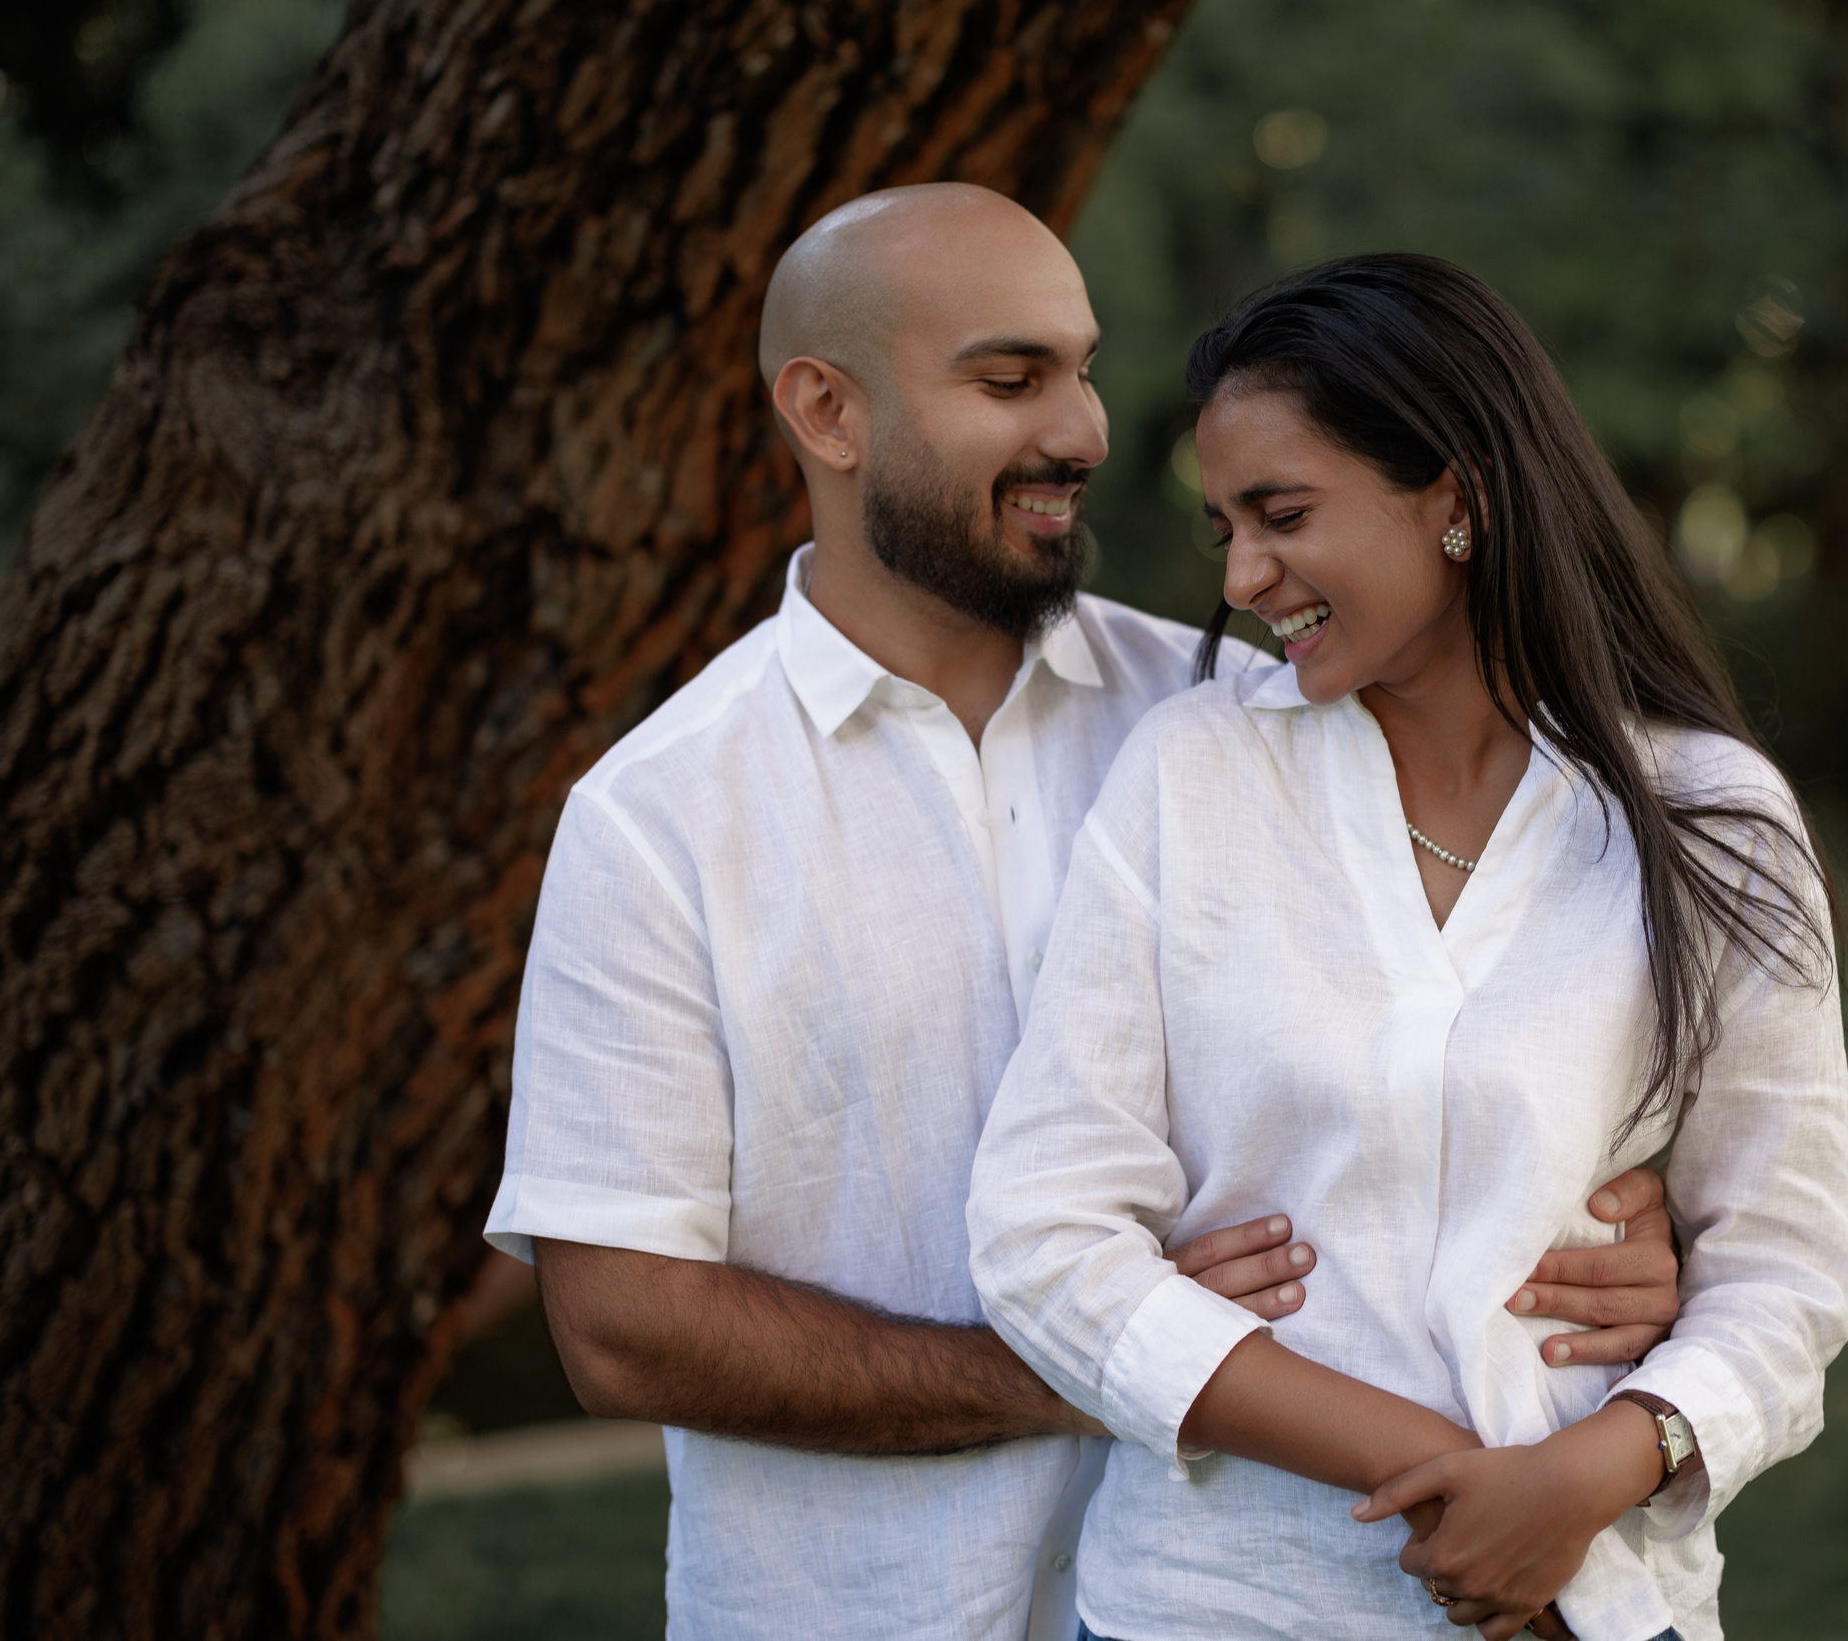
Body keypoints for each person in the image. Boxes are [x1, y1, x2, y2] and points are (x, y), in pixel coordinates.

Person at [483, 189, 1689, 1641]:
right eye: (1010, 380)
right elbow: (622, 1327)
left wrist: (1589, 1215)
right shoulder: (661, 817)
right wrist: (1092, 1353)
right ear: (827, 410)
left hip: (1232, 1601)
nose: (1086, 430)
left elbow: (1462, 1037)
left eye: (1083, 366)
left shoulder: (1236, 716)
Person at [968, 254, 1848, 1641]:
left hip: (1600, 1613)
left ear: (1455, 496)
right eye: (1223, 529)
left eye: (1282, 514)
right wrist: (1455, 1482)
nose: (1247, 575)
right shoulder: (1193, 776)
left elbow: (1791, 1269)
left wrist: (1588, 1476)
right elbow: (1042, 1233)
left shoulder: (1710, 819)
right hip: (1218, 1608)